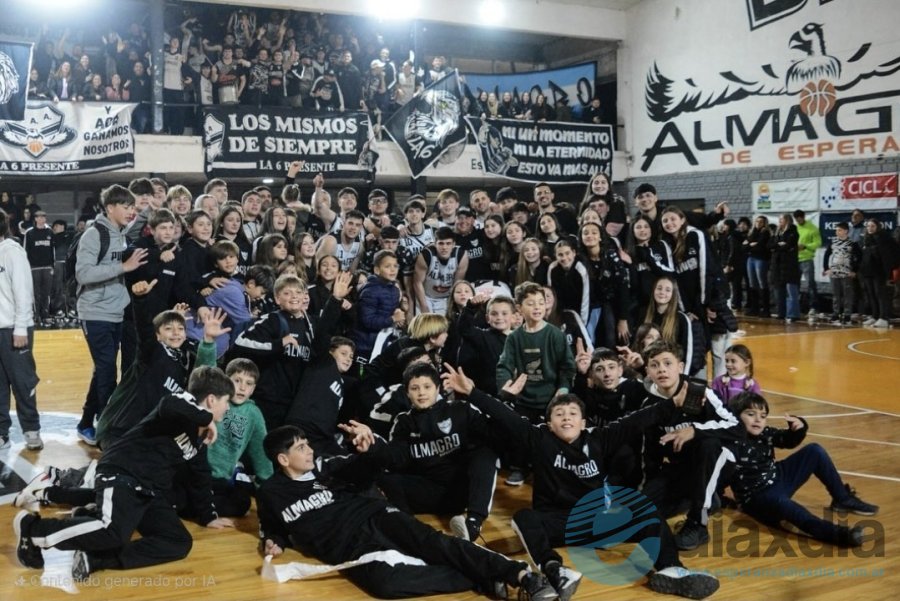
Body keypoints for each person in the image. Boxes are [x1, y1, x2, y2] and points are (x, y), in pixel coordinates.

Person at [442, 364, 721, 600]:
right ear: (549, 423)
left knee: (644, 510)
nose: (566, 418)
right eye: (559, 414)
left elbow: (637, 420)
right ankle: (555, 571)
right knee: (524, 517)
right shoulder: (540, 440)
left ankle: (670, 570)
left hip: (597, 520)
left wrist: (673, 403)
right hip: (558, 523)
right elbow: (506, 417)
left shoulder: (598, 438)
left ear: (583, 421)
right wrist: (473, 392)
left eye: (572, 414)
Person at [257, 424, 557, 599]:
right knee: (385, 586)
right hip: (350, 548)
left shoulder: (326, 468)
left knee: (435, 545)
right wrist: (275, 540)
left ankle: (519, 575)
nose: (309, 450)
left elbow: (365, 469)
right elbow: (273, 527)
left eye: (308, 444)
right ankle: (481, 578)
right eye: (300, 448)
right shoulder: (270, 493)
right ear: (283, 459)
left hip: (375, 517)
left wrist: (369, 448)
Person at [14, 366, 236, 578]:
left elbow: (201, 475)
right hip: (122, 472)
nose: (228, 408)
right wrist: (207, 418)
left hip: (147, 491)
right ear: (211, 399)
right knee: (112, 530)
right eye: (226, 402)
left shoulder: (201, 437)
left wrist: (208, 516)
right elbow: (169, 404)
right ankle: (34, 529)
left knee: (178, 541)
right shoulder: (182, 403)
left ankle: (96, 558)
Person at [728, 392, 878, 547]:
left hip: (778, 477)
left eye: (763, 415)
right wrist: (717, 499)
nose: (758, 419)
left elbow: (786, 439)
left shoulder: (765, 434)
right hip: (757, 497)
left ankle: (843, 499)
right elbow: (715, 473)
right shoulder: (730, 442)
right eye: (751, 414)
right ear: (736, 416)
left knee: (815, 450)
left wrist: (798, 429)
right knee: (786, 505)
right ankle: (840, 534)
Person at [638, 340, 740, 552]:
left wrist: (695, 429)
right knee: (640, 513)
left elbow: (737, 427)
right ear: (647, 370)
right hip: (682, 466)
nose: (662, 369)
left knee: (708, 445)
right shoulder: (649, 404)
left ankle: (698, 522)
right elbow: (650, 454)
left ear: (680, 367)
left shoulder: (699, 390)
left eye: (668, 363)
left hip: (718, 461)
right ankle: (702, 497)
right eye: (655, 365)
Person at [379, 363, 499, 542]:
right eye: (415, 388)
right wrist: (373, 447)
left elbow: (494, 433)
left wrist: (503, 397)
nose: (421, 393)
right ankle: (408, 529)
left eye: (427, 387)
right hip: (429, 491)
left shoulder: (461, 409)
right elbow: (395, 460)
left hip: (462, 490)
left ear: (438, 388)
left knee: (486, 454)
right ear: (407, 393)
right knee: (384, 478)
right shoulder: (403, 422)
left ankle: (473, 524)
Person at [75, 185, 148, 446]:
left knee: (103, 370)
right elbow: (83, 274)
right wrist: (123, 266)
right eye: (126, 206)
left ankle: (85, 423)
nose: (132, 211)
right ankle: (107, 431)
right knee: (107, 372)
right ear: (110, 208)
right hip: (94, 312)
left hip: (115, 311)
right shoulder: (94, 235)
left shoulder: (121, 234)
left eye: (132, 206)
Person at [0, 209, 43, 450]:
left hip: (14, 330)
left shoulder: (12, 252)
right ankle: (1, 432)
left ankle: (31, 429)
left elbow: (23, 293)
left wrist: (20, 329)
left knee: (23, 382)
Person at [859, 218, 898, 329]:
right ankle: (875, 316)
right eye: (868, 226)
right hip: (867, 271)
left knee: (880, 294)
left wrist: (889, 271)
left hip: (880, 272)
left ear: (878, 227)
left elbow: (889, 256)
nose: (870, 228)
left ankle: (884, 317)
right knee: (871, 294)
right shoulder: (866, 239)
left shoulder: (884, 238)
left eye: (872, 226)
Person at [822, 222, 861, 326]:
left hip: (846, 272)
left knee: (847, 294)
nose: (837, 232)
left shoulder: (852, 243)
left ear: (845, 231)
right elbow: (826, 255)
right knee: (836, 294)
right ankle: (836, 313)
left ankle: (847, 314)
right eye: (836, 230)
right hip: (835, 272)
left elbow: (859, 258)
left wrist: (855, 271)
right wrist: (826, 268)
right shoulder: (833, 242)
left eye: (839, 230)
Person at [23, 210, 55, 327]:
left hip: (47, 267)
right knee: (35, 293)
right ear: (35, 219)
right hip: (34, 267)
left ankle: (46, 315)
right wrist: (26, 267)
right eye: (39, 217)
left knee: (46, 292)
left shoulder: (50, 232)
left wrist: (53, 266)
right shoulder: (29, 233)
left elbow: (53, 250)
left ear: (45, 218)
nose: (41, 219)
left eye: (43, 217)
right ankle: (36, 316)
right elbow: (25, 250)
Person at [769, 213, 801, 323]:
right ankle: (781, 313)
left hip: (789, 266)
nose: (779, 221)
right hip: (777, 266)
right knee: (779, 292)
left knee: (791, 292)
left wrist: (778, 246)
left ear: (787, 220)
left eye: (781, 219)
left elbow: (788, 245)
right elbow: (770, 245)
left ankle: (793, 314)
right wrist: (779, 245)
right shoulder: (776, 232)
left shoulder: (793, 232)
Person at [792, 210, 822, 318]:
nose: (798, 220)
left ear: (803, 217)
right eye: (796, 219)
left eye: (799, 218)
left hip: (807, 259)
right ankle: (796, 306)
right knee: (795, 284)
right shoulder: (794, 228)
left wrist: (805, 246)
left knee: (810, 284)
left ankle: (813, 307)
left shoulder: (812, 228)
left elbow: (818, 243)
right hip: (794, 259)